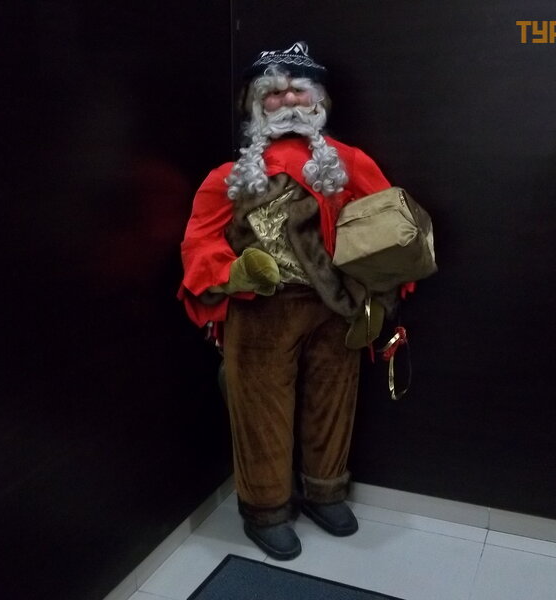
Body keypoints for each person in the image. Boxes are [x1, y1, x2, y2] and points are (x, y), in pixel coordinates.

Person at [177, 41, 410, 560]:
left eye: (297, 91)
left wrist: (383, 293)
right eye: (274, 93)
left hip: (336, 307)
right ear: (256, 105)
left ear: (318, 99)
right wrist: (233, 272)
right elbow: (200, 242)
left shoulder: (350, 163)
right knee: (261, 411)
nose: (287, 102)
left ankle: (326, 491)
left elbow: (391, 229)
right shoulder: (228, 177)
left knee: (334, 400)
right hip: (260, 310)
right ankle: (265, 509)